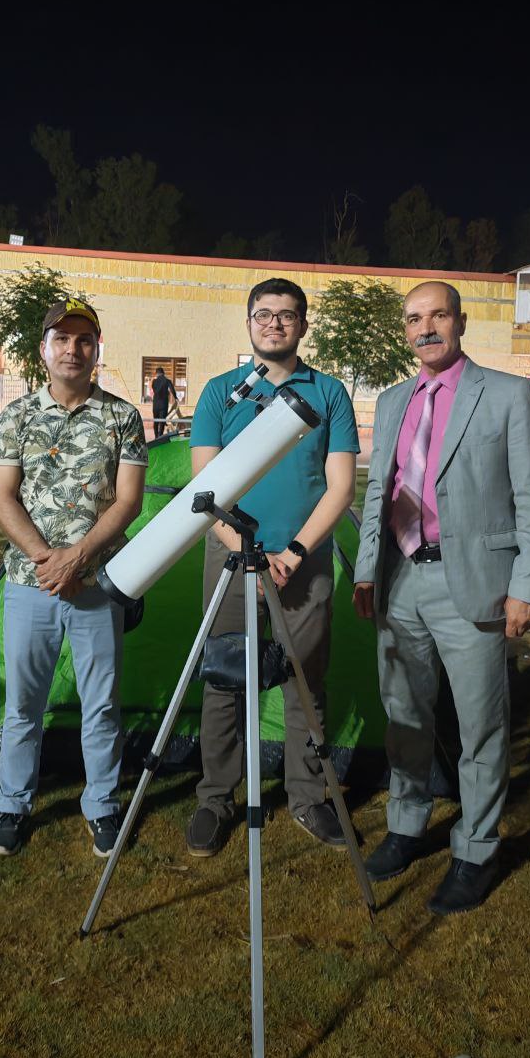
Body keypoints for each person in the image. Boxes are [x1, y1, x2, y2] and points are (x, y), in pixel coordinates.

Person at [353, 280, 530, 914]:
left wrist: (527, 586)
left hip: (473, 583)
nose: (426, 328)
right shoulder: (393, 401)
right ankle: (407, 825)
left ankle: (476, 850)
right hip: (400, 580)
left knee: (480, 726)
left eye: (438, 314)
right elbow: (379, 491)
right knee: (404, 717)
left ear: (460, 322)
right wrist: (366, 571)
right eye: (414, 319)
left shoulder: (508, 395)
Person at [185, 277, 359, 856]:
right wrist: (246, 554)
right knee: (224, 680)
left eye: (287, 314)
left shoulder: (329, 392)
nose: (275, 323)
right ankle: (215, 798)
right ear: (249, 322)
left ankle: (307, 797)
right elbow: (204, 489)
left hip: (302, 560)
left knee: (304, 682)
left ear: (303, 325)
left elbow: (340, 487)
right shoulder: (221, 392)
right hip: (231, 558)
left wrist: (295, 553)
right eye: (264, 313)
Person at [0, 297, 148, 859]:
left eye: (84, 340)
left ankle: (101, 806)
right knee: (22, 705)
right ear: (43, 349)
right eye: (62, 339)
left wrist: (77, 559)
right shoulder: (17, 416)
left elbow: (127, 502)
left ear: (97, 349)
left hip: (97, 585)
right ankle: (12, 805)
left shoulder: (122, 417)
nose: (72, 349)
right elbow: (0, 496)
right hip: (29, 583)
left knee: (101, 706)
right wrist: (46, 560)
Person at [150, 366, 178, 438]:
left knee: (156, 421)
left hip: (155, 404)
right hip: (164, 404)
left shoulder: (154, 381)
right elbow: (172, 390)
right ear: (163, 373)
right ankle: (160, 437)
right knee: (162, 421)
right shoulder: (167, 381)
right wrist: (176, 398)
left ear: (157, 373)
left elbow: (154, 390)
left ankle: (156, 437)